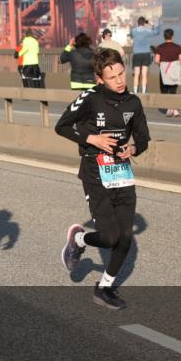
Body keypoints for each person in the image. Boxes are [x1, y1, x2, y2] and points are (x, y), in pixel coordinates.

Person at [56, 48, 150, 310]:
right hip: (94, 172)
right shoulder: (89, 98)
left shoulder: (133, 102)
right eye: (112, 77)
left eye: (122, 73)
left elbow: (143, 139)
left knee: (125, 237)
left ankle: (104, 287)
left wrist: (132, 149)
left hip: (121, 172)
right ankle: (78, 240)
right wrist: (92, 139)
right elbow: (61, 126)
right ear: (99, 79)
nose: (120, 80)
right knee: (110, 237)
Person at [154, 29, 181, 117]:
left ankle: (169, 109)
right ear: (172, 36)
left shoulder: (160, 47)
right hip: (175, 72)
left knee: (164, 90)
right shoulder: (178, 47)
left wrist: (163, 65)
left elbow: (156, 60)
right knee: (173, 91)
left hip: (164, 72)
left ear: (164, 36)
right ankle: (174, 109)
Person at [130, 17, 159, 94]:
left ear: (138, 22)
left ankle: (135, 91)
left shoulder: (134, 31)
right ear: (144, 23)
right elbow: (157, 32)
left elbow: (131, 34)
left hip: (136, 54)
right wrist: (150, 24)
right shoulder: (147, 31)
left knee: (136, 74)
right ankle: (143, 92)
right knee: (144, 74)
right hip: (146, 53)